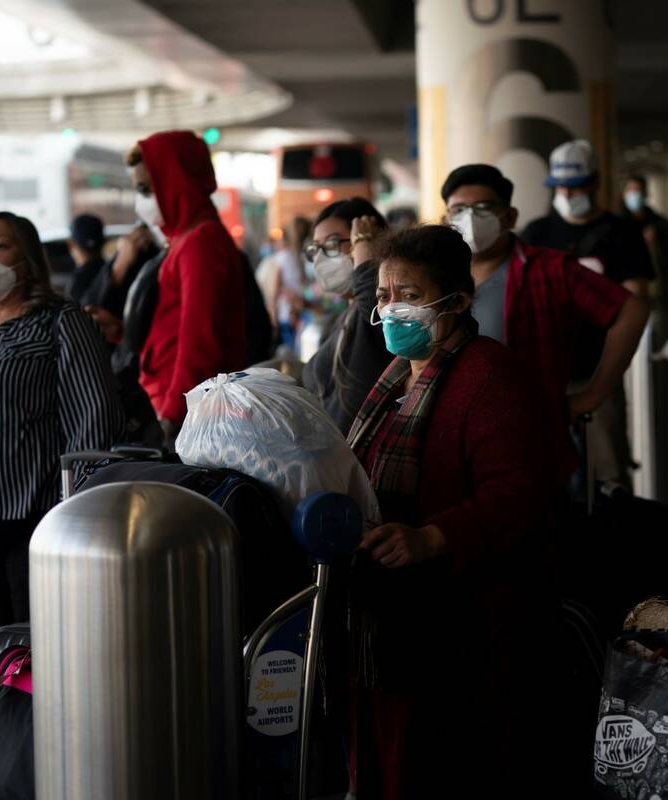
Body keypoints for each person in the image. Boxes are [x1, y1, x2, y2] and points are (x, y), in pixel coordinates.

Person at [345, 225, 554, 799]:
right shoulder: (393, 380)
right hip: (393, 618)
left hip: (463, 629)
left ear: (458, 301)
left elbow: (520, 496)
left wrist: (433, 538)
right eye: (385, 296)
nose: (392, 309)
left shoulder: (490, 377)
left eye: (409, 296)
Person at [0, 211, 123, 638]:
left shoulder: (59, 322)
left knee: (38, 649)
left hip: (32, 522)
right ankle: (3, 709)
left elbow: (95, 420)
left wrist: (73, 511)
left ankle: (34, 710)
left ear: (26, 260)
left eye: (1, 246)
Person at [442, 163, 649, 479]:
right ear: (446, 219)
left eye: (483, 208)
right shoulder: (436, 278)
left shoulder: (548, 270)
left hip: (531, 439)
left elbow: (631, 311)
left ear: (509, 217)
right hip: (456, 440)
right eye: (459, 209)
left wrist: (592, 395)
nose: (469, 218)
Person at [521, 139, 656, 488]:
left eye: (575, 186)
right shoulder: (537, 234)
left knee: (607, 469)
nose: (567, 194)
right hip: (544, 370)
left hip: (599, 369)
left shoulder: (621, 233)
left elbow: (636, 298)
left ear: (594, 183)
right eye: (560, 187)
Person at [127, 130, 247, 445]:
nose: (142, 201)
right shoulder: (186, 239)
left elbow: (199, 339)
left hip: (187, 412)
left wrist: (171, 415)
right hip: (181, 404)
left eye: (145, 188)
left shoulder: (200, 243)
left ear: (172, 181)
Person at [301, 198, 393, 434]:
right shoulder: (347, 314)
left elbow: (371, 297)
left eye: (332, 243)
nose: (321, 257)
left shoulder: (380, 309)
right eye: (315, 248)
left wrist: (365, 243)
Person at [256, 216, 311, 351]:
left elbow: (276, 285)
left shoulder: (282, 257)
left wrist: (273, 310)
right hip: (295, 307)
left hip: (288, 309)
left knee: (290, 346)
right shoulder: (294, 256)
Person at [620, 173, 668, 282]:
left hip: (654, 283)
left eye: (638, 190)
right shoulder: (617, 224)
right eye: (631, 190)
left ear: (645, 194)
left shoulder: (659, 223)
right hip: (626, 283)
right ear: (624, 194)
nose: (635, 194)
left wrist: (657, 244)